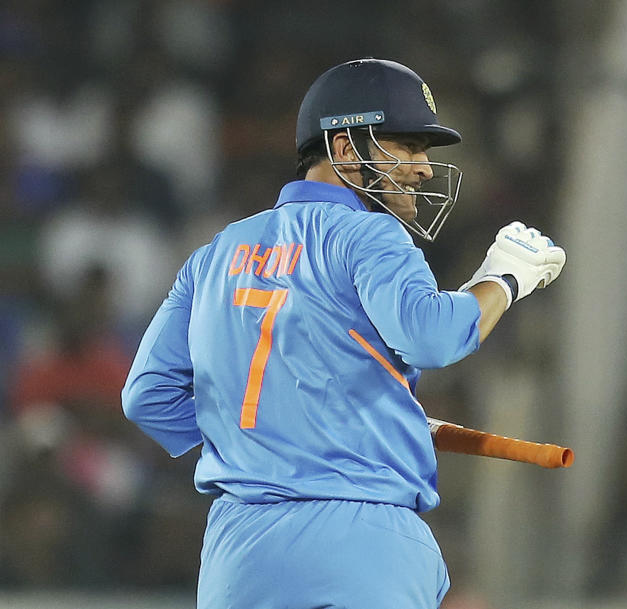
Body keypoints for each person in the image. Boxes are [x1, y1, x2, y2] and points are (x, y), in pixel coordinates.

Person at [121, 58, 566, 609]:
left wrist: (272, 440)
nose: (424, 168)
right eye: (406, 146)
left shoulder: (214, 254)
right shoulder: (367, 234)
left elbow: (146, 398)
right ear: (348, 150)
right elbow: (432, 337)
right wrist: (503, 278)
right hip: (364, 537)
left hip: (239, 548)